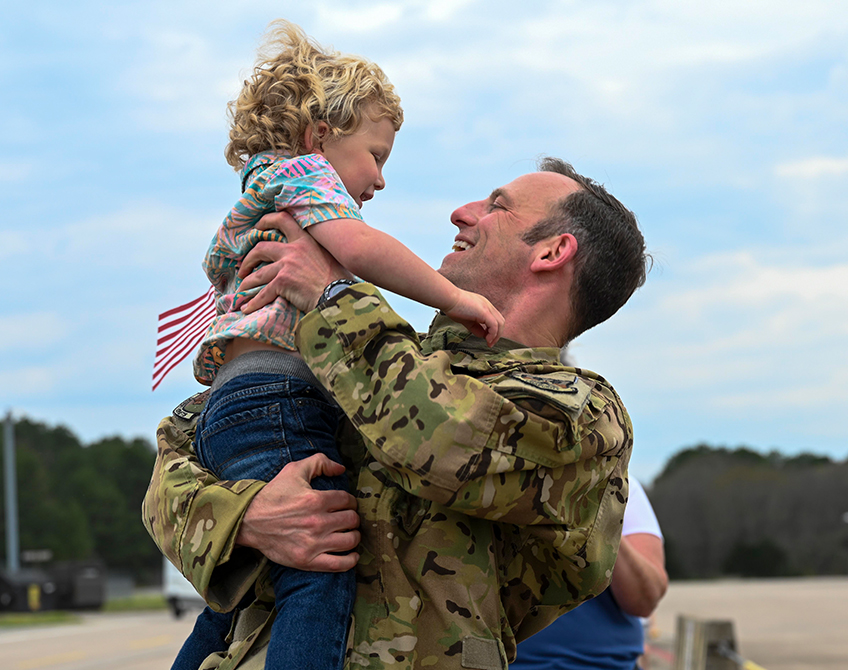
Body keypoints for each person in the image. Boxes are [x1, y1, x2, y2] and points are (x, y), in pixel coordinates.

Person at [143, 156, 650, 670]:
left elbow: (443, 440)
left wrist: (331, 293)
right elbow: (180, 455)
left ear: (553, 251)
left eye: (497, 206)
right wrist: (246, 519)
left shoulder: (582, 414)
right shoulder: (371, 354)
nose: (460, 213)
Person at [177, 20, 503, 670]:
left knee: (249, 586)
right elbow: (361, 246)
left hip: (228, 406)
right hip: (279, 398)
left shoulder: (261, 186)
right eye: (376, 155)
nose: (380, 181)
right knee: (321, 565)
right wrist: (455, 297)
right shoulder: (303, 175)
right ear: (320, 135)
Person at [510, 477, 668, 670]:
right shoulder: (486, 481)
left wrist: (599, 510)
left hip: (603, 663)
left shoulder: (621, 485)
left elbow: (644, 601)